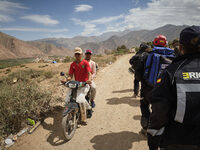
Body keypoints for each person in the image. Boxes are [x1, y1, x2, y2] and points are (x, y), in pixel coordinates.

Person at [147, 26, 200, 150]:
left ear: (180, 48)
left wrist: (153, 140)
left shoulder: (171, 72)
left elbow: (159, 110)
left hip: (179, 140)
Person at [137, 35, 175, 136]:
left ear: (154, 43)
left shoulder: (147, 55)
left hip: (148, 88)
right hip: (166, 89)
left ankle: (145, 128)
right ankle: (161, 131)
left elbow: (138, 74)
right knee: (160, 108)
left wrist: (142, 81)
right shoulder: (173, 55)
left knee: (144, 105)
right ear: (166, 44)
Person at [62, 47, 92, 117]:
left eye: (79, 54)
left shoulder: (85, 63)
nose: (77, 56)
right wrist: (65, 80)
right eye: (76, 54)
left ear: (81, 54)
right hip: (76, 84)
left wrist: (89, 79)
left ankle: (89, 109)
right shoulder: (72, 64)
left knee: (80, 100)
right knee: (67, 100)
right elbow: (70, 76)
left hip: (84, 84)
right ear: (74, 55)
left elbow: (89, 73)